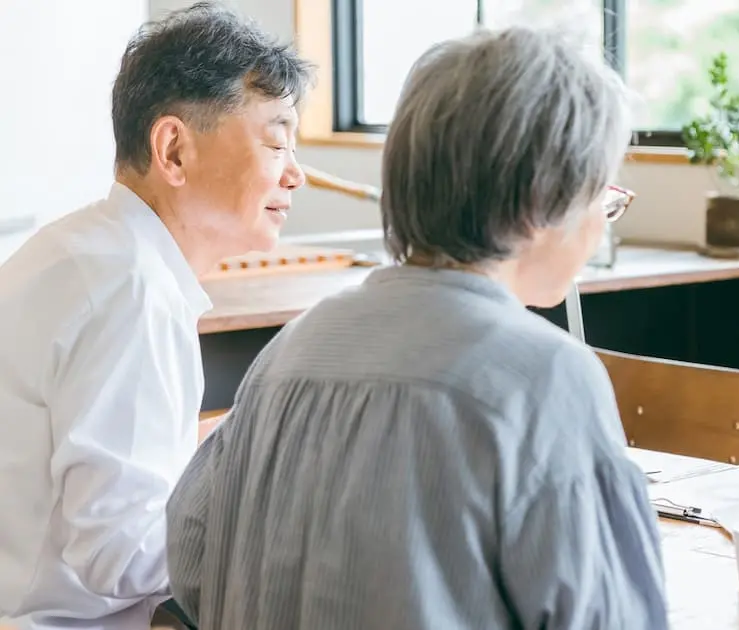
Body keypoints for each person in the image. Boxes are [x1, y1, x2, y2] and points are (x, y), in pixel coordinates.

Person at [164, 25, 667, 630]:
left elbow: (190, 563)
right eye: (602, 195)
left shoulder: (291, 350)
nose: (603, 222)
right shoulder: (546, 377)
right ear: (543, 200)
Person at [0, 3, 312, 629]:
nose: (296, 175)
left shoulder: (85, 249)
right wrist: (279, 517)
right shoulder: (131, 291)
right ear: (173, 149)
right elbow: (119, 556)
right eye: (276, 143)